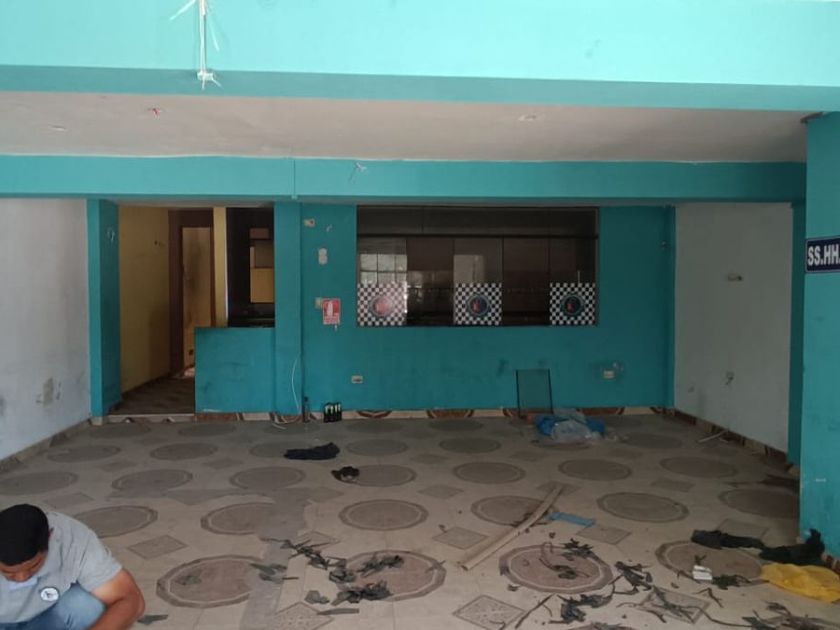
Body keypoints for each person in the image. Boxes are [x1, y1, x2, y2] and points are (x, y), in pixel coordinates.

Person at [0, 504, 144, 630]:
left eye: (33, 566)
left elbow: (130, 599)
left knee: (85, 606)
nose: (22, 578)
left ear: (50, 537)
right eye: (7, 572)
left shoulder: (70, 538)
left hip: (46, 619)